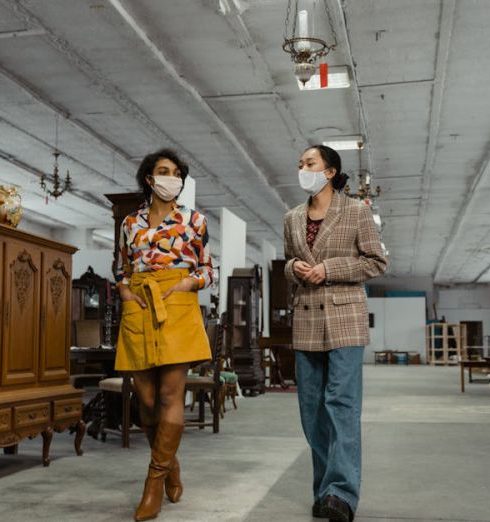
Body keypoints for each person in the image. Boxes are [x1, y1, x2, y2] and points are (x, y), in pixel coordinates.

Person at [283, 145, 387, 521]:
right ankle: (324, 487)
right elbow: (286, 262)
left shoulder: (356, 211)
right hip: (306, 320)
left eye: (309, 163)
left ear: (329, 171)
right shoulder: (292, 217)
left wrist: (329, 269)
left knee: (341, 406)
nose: (302, 169)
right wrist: (295, 266)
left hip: (345, 321)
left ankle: (341, 495)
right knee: (312, 411)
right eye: (300, 164)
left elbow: (377, 261)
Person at [115, 148, 213, 521]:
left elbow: (208, 269)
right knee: (148, 402)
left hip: (177, 304)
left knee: (171, 394)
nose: (172, 177)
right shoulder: (130, 223)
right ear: (149, 179)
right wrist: (125, 290)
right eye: (164, 171)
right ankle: (171, 464)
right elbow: (122, 267)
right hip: (139, 305)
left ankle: (153, 482)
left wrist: (189, 282)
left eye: (177, 172)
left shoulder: (195, 221)